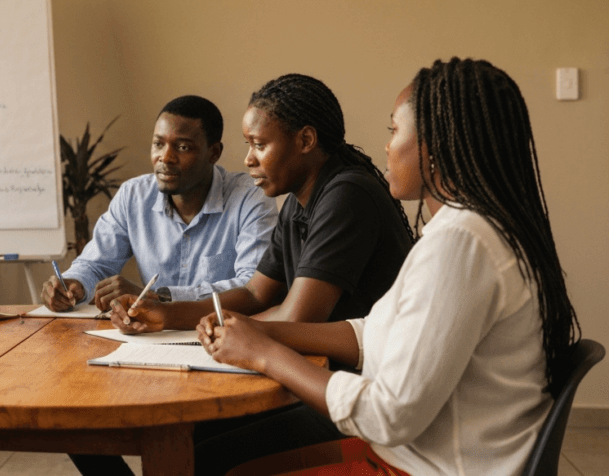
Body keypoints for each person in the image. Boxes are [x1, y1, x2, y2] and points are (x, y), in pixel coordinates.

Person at [197, 57, 580, 475]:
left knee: (219, 463)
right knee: (218, 455)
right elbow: (373, 332)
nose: (386, 146)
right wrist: (261, 332)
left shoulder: (461, 243)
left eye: (394, 131)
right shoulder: (468, 229)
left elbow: (388, 416)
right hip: (416, 458)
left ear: (434, 146)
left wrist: (266, 353)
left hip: (420, 468)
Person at [97, 74, 415, 476]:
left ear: (305, 141)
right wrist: (167, 313)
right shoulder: (299, 202)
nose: (248, 159)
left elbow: (299, 317)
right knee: (192, 437)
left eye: (259, 145)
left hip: (355, 389)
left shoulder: (346, 194)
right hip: (316, 373)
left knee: (205, 454)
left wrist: (212, 333)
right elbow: (254, 293)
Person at [42, 95, 278, 312]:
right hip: (148, 335)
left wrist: (158, 296)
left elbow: (252, 287)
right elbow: (95, 265)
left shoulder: (251, 197)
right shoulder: (133, 195)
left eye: (182, 147)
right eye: (158, 144)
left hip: (220, 334)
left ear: (213, 153)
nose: (165, 158)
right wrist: (74, 283)